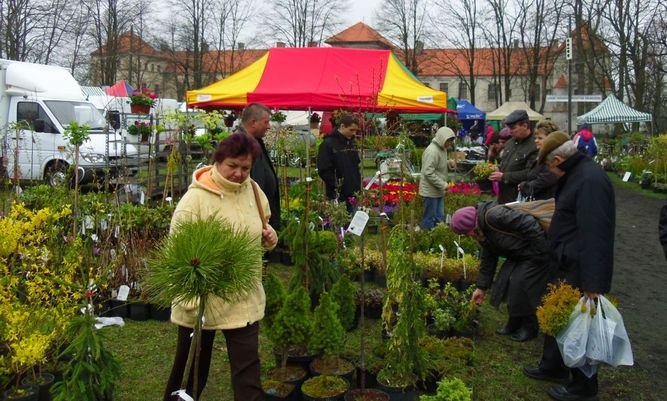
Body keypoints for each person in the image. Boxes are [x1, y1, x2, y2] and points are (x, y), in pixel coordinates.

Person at [163, 134, 278, 401]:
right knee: (190, 372)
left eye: (245, 168)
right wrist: (192, 302)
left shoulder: (252, 190)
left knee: (248, 371)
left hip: (243, 297)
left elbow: (262, 227)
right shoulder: (195, 201)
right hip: (202, 300)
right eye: (232, 166)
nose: (239, 174)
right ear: (217, 161)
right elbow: (176, 256)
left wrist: (269, 237)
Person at [523, 131, 615, 401]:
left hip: (578, 266)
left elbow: (595, 233)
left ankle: (583, 386)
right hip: (564, 260)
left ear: (559, 159)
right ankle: (553, 365)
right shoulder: (577, 175)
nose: (550, 174)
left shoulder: (589, 181)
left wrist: (593, 283)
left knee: (580, 326)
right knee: (558, 314)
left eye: (550, 167)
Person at [450, 202, 550, 342]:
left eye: (466, 233)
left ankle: (530, 326)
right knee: (505, 282)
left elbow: (529, 223)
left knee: (521, 283)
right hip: (518, 254)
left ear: (471, 225)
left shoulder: (494, 216)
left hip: (535, 251)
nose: (468, 236)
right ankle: (514, 321)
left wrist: (541, 253)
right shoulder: (482, 231)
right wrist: (481, 288)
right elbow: (489, 258)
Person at [234, 103, 281, 229]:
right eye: (266, 122)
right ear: (253, 122)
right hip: (251, 219)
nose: (269, 126)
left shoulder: (254, 142)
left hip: (261, 218)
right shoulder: (239, 144)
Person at [489, 110, 538, 204]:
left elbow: (530, 173)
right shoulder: (510, 143)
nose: (509, 131)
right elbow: (506, 164)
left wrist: (504, 176)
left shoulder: (534, 146)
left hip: (520, 197)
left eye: (512, 128)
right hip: (504, 195)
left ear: (524, 126)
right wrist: (497, 168)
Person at [317, 113, 361, 212]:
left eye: (355, 130)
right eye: (351, 130)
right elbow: (324, 169)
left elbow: (355, 165)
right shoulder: (328, 144)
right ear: (342, 126)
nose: (354, 133)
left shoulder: (351, 143)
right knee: (340, 222)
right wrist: (337, 185)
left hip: (353, 192)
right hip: (338, 194)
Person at [419, 126, 456, 229]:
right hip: (430, 191)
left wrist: (448, 163)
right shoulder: (432, 151)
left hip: (438, 190)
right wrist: (443, 184)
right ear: (442, 138)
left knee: (439, 217)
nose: (449, 144)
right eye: (448, 141)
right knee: (430, 218)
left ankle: (437, 239)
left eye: (450, 142)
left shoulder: (441, 149)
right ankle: (426, 238)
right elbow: (428, 172)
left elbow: (438, 165)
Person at [517, 119, 560, 200]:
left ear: (551, 139)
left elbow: (546, 179)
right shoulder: (542, 155)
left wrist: (526, 186)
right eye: (535, 138)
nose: (536, 141)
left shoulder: (554, 158)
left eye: (540, 138)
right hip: (540, 201)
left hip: (548, 203)